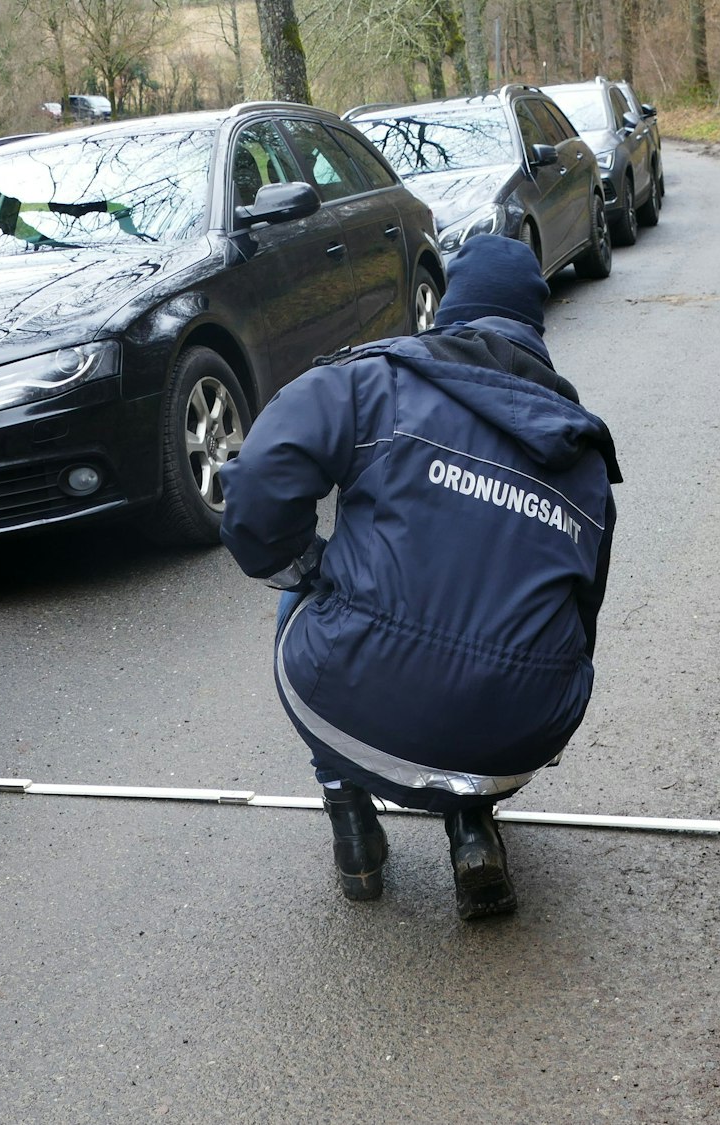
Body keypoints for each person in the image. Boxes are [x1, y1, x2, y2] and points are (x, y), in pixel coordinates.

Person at [218, 234, 621, 919]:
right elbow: (581, 621)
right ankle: (473, 830)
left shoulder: (375, 381)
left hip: (347, 704)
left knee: (301, 592)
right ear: (534, 327)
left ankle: (353, 827)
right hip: (521, 735)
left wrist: (304, 565)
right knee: (510, 631)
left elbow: (256, 481)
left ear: (451, 312)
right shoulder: (583, 458)